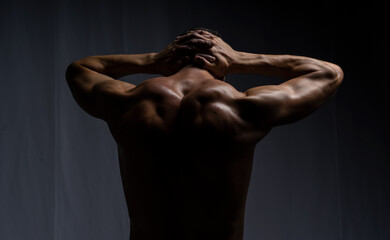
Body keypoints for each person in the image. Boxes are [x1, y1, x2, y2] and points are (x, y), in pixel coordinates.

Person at [66, 28, 343, 240]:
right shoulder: (241, 107)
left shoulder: (130, 102)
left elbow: (79, 69)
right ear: (221, 66)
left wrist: (153, 60)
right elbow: (328, 73)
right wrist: (239, 59)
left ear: (173, 61)